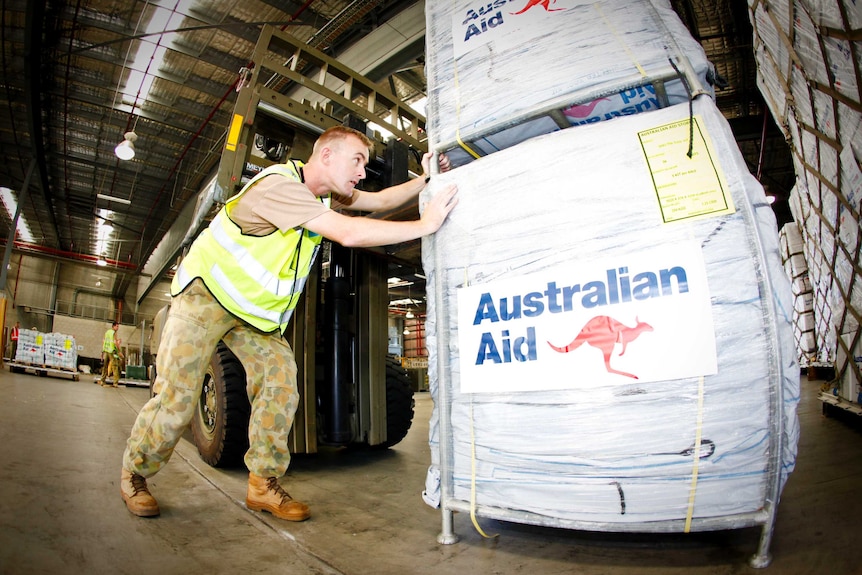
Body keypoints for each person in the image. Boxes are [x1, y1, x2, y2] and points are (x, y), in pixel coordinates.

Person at [119, 126, 458, 520]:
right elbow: (347, 233)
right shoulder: (278, 186)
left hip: (253, 315)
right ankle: (134, 473)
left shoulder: (326, 194)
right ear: (327, 156)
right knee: (177, 398)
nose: (363, 173)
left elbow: (380, 198)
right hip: (205, 295)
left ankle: (262, 484)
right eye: (358, 161)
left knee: (281, 386)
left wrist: (427, 179)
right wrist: (425, 225)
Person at [100, 322, 122, 388]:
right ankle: (115, 382)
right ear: (114, 326)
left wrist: (102, 351)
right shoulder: (113, 333)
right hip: (112, 351)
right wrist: (119, 351)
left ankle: (102, 380)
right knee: (115, 366)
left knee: (105, 366)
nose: (118, 328)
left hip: (106, 350)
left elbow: (104, 341)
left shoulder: (107, 332)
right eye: (117, 326)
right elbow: (115, 343)